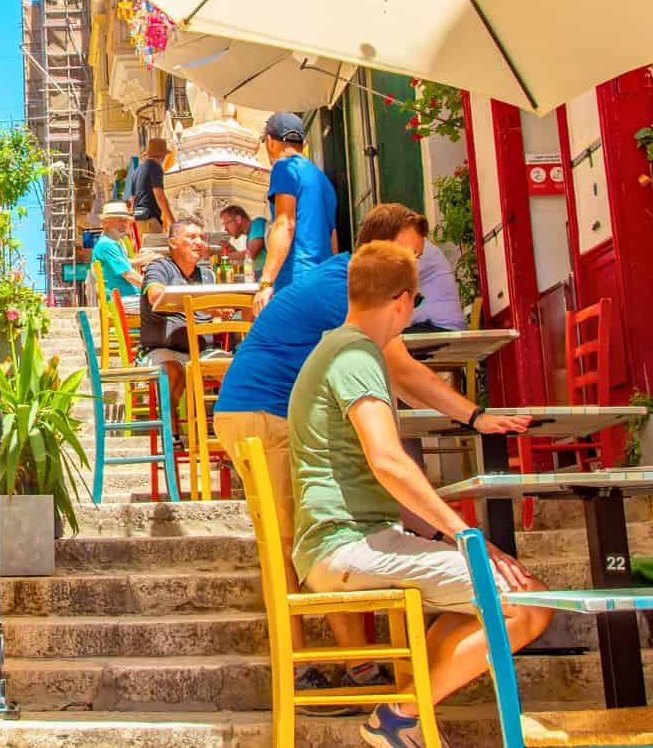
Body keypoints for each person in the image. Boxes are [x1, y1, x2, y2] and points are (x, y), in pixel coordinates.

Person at [214, 203, 532, 701]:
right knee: (293, 540)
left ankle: (364, 667)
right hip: (260, 408)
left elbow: (398, 378)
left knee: (309, 534)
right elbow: (404, 373)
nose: (414, 267)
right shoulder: (350, 289)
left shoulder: (352, 286)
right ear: (380, 249)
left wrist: (472, 417)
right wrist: (474, 417)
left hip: (264, 407)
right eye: (410, 254)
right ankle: (314, 668)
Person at [288, 241, 552, 748]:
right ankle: (397, 718)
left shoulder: (340, 348)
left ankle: (410, 715)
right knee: (528, 604)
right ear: (404, 300)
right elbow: (387, 460)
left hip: (341, 541)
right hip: (346, 544)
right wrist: (465, 536)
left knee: (472, 605)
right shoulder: (355, 356)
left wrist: (446, 537)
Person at [254, 112, 338, 316]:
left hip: (296, 279)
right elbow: (332, 236)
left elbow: (285, 223)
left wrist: (266, 282)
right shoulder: (323, 179)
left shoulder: (284, 168)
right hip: (323, 281)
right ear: (303, 142)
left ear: (270, 142)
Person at [138, 216, 212, 420]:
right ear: (173, 242)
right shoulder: (160, 268)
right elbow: (155, 295)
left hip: (202, 353)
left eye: (202, 237)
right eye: (192, 237)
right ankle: (171, 432)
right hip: (162, 351)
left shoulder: (207, 275)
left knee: (237, 369)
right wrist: (199, 303)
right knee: (174, 371)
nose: (199, 242)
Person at [91, 201, 146, 302]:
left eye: (125, 221)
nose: (124, 225)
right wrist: (152, 286)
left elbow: (124, 265)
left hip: (126, 297)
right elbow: (129, 275)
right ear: (106, 223)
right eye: (120, 220)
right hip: (121, 300)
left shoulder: (112, 243)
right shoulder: (107, 244)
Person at [411, 240, 467, 332]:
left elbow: (392, 280)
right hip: (433, 324)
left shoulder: (420, 249)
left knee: (388, 337)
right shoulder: (420, 246)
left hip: (441, 326)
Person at [128, 137, 173, 237]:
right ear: (162, 156)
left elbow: (133, 200)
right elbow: (159, 195)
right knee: (155, 247)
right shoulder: (155, 167)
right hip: (150, 219)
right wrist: (172, 221)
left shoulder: (137, 171)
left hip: (138, 220)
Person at [219, 204, 265, 280]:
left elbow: (250, 254)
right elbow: (248, 261)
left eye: (226, 224)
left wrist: (222, 256)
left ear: (238, 219)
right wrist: (232, 251)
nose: (225, 229)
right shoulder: (249, 236)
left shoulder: (257, 223)